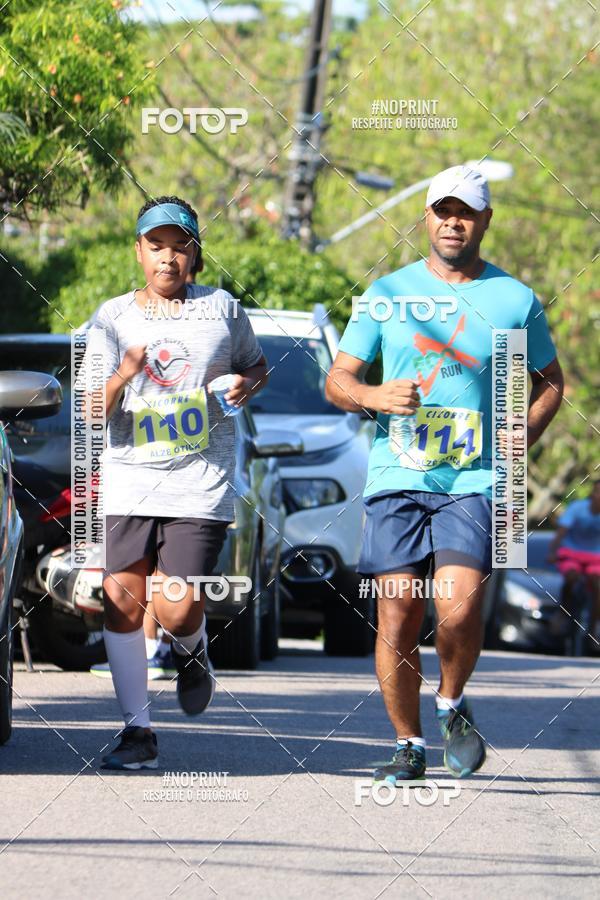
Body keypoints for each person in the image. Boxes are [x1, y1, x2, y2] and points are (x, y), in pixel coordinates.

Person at [325, 165, 563, 782]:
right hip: (396, 474)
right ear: (425, 217)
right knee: (398, 610)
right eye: (442, 210)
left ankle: (452, 702)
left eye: (466, 211)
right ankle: (409, 745)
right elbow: (338, 380)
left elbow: (551, 382)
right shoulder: (387, 294)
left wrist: (527, 429)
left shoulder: (514, 299)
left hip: (478, 479)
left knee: (457, 608)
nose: (452, 221)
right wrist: (375, 397)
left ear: (485, 220)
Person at [86, 195, 268, 769]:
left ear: (195, 254)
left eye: (180, 246)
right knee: (120, 597)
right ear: (138, 252)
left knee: (173, 604)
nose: (168, 257)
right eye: (156, 246)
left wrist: (245, 384)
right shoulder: (111, 318)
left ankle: (192, 652)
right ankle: (138, 731)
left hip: (201, 477)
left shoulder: (222, 308)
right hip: (129, 476)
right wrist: (124, 373)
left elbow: (256, 366)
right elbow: (92, 410)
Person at [548, 480, 600, 641]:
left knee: (598, 584)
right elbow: (561, 533)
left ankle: (594, 627)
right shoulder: (577, 508)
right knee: (571, 577)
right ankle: (563, 612)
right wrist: (552, 552)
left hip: (595, 556)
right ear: (592, 494)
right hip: (571, 552)